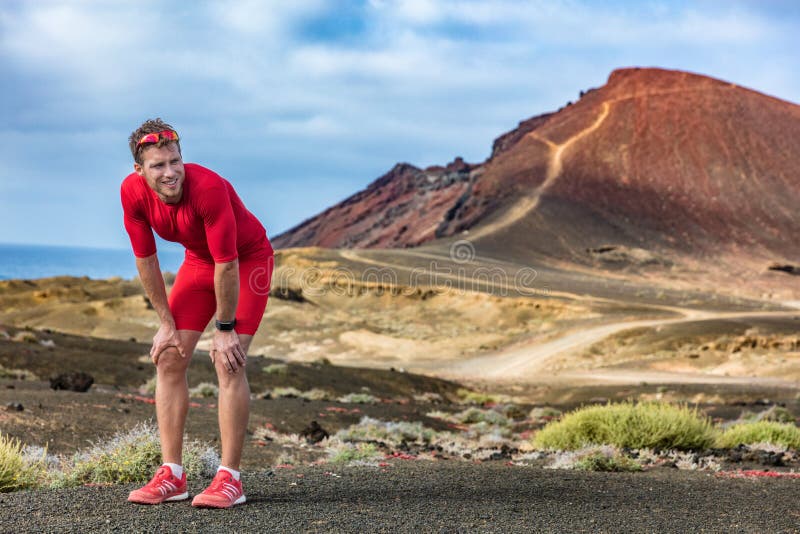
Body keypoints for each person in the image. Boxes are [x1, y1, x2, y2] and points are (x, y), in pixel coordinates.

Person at [121, 118, 274, 508]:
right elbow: (147, 260)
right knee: (170, 357)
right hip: (198, 262)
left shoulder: (207, 188)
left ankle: (230, 479)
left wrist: (224, 330)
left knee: (229, 362)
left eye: (175, 161)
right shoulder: (132, 193)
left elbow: (227, 261)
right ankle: (172, 475)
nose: (171, 173)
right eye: (158, 165)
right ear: (139, 171)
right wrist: (165, 324)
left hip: (246, 261)